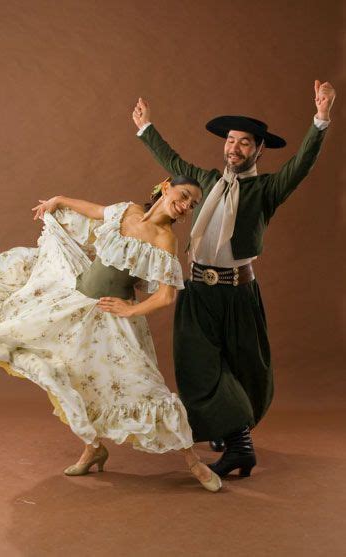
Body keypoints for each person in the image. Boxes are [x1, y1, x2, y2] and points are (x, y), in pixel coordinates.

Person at [0, 175, 223, 492]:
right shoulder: (127, 211)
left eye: (192, 204)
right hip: (73, 304)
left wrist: (130, 310)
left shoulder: (164, 238)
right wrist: (58, 200)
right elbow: (94, 210)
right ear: (166, 186)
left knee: (148, 389)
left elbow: (166, 296)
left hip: (112, 322)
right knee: (73, 377)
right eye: (184, 196)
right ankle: (94, 449)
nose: (185, 206)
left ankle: (193, 464)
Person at [132, 80, 336, 477]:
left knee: (243, 367)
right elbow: (172, 162)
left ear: (259, 149)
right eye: (230, 140)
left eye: (245, 143)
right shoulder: (205, 180)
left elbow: (302, 164)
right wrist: (145, 129)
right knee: (198, 364)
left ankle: (235, 437)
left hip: (239, 292)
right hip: (197, 293)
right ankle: (237, 440)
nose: (234, 148)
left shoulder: (267, 189)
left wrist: (321, 119)